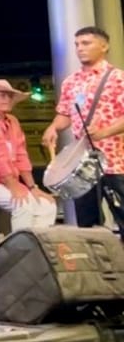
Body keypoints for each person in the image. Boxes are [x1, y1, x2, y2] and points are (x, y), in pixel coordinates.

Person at [42, 26, 124, 230]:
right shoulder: (71, 82)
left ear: (104, 46)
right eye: (77, 44)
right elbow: (65, 114)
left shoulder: (118, 78)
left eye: (86, 43)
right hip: (83, 164)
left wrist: (104, 132)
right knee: (87, 223)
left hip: (115, 161)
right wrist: (53, 127)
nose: (80, 48)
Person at [0, 79, 56, 231]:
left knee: (47, 206)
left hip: (11, 180)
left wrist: (32, 187)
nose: (6, 99)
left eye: (9, 96)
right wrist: (12, 186)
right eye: (1, 95)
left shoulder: (12, 122)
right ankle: (20, 245)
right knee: (22, 206)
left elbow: (21, 154)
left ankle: (36, 243)